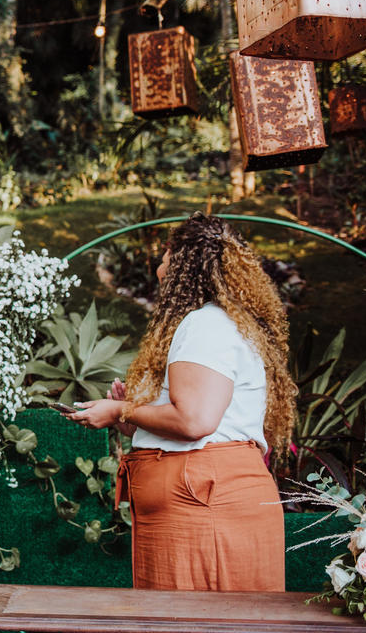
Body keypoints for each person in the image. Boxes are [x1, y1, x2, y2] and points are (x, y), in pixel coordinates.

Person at [68, 213, 296, 591]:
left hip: (204, 505)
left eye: (165, 257)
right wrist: (134, 421)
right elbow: (201, 420)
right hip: (205, 499)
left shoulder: (205, 324)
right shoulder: (222, 323)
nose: (159, 268)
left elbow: (195, 422)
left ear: (183, 265)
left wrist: (121, 410)